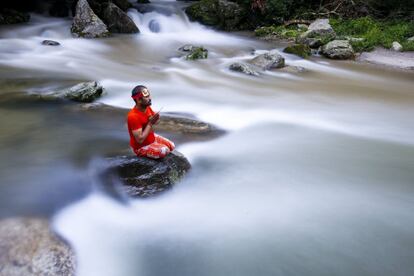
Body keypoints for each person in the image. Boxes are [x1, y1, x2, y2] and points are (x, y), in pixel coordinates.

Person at [127, 85, 175, 159]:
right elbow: (140, 140)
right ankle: (142, 152)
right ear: (138, 100)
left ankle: (154, 144)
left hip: (151, 137)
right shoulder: (133, 116)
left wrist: (155, 119)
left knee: (171, 146)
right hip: (141, 146)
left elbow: (153, 122)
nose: (150, 98)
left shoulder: (147, 107)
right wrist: (150, 123)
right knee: (164, 150)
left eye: (149, 96)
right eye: (146, 97)